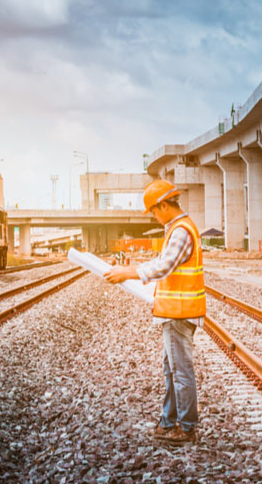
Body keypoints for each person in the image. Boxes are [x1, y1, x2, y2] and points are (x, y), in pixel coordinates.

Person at [104, 179, 206, 445]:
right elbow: (161, 263)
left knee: (181, 371)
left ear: (163, 205)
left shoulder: (182, 230)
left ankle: (186, 428)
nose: (153, 216)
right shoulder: (177, 229)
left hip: (179, 313)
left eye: (153, 210)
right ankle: (169, 421)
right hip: (173, 312)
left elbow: (165, 266)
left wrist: (128, 272)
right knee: (171, 369)